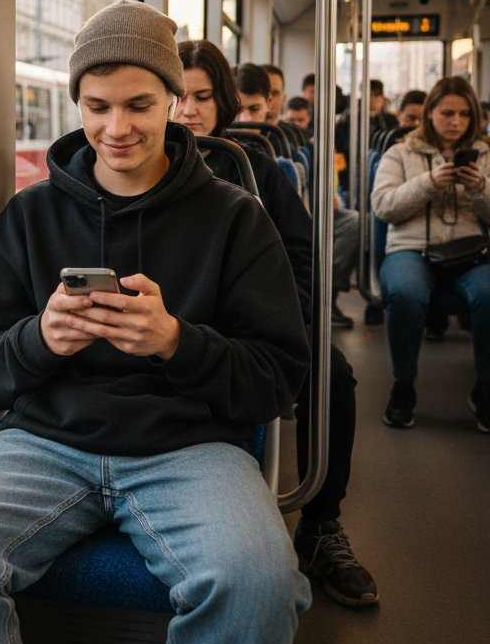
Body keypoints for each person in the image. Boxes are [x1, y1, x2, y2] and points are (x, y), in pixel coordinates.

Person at [0, 1, 312, 644]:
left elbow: (279, 380)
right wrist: (42, 339)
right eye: (97, 106)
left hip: (190, 447)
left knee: (258, 586)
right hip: (45, 443)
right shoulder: (30, 217)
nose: (117, 128)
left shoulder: (235, 219)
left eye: (139, 105)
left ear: (175, 102)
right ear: (75, 103)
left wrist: (177, 342)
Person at [176, 41, 378, 607]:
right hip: (174, 326)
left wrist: (272, 318)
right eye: (176, 97)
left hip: (252, 319)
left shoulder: (258, 172)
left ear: (224, 104)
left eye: (202, 97)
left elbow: (302, 260)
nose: (187, 111)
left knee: (332, 371)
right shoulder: (134, 169)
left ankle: (321, 524)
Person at [371, 76, 490, 431]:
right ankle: (403, 385)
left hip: (472, 250)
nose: (456, 122)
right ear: (430, 113)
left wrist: (480, 189)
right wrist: (428, 183)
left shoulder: (485, 155)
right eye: (447, 113)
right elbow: (384, 206)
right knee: (405, 293)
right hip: (412, 249)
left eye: (465, 115)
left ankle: (485, 386)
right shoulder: (400, 152)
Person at [233, 64, 358, 328]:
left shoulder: (286, 149)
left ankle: (329, 293)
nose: (245, 120)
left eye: (253, 109)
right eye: (238, 109)